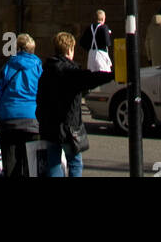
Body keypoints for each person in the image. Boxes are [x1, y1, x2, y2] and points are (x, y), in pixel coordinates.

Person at [36, 31, 114, 178]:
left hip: (50, 125)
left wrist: (41, 118)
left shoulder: (47, 70)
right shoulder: (69, 71)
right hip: (68, 127)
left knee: (53, 162)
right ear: (70, 49)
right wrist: (111, 75)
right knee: (75, 162)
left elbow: (40, 98)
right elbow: (90, 78)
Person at [0, 34, 42, 177]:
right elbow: (45, 93)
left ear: (18, 48)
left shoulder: (8, 66)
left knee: (10, 163)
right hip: (33, 119)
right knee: (32, 166)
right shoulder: (39, 68)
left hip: (9, 118)